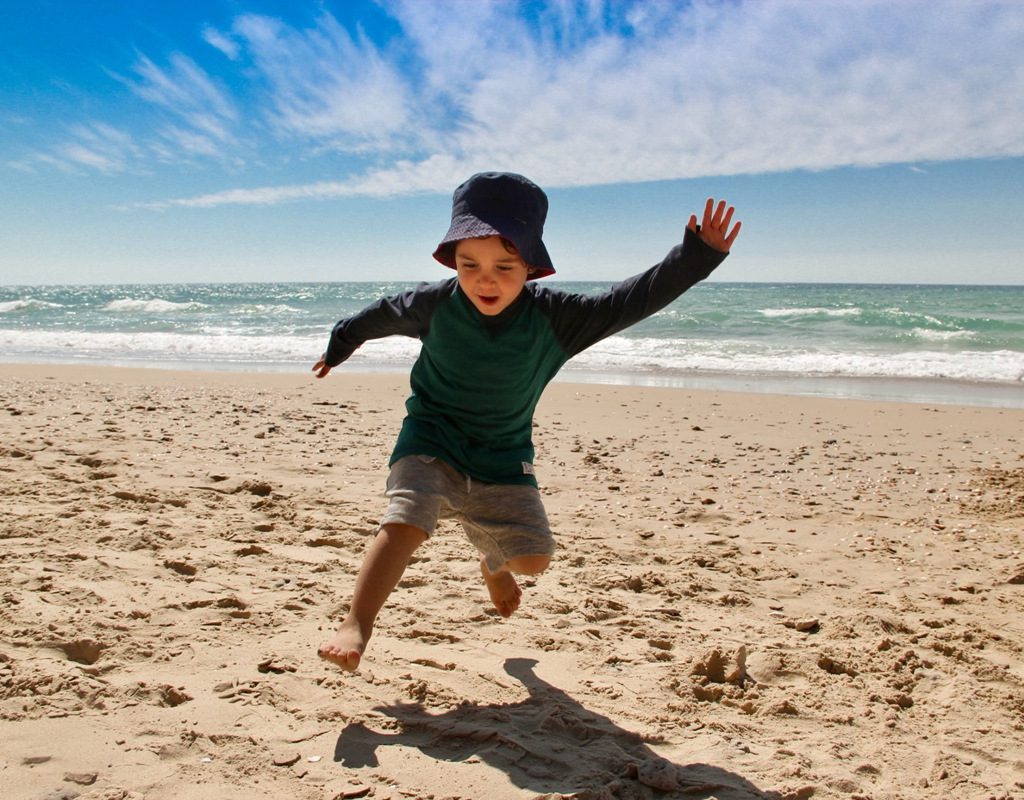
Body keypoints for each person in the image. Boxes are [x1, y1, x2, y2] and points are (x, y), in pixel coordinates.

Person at [313, 172, 741, 671]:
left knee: (532, 561)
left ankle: (492, 563)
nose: (484, 278)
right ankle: (357, 624)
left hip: (501, 455)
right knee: (407, 518)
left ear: (532, 265)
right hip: (430, 438)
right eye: (468, 264)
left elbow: (631, 300)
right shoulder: (434, 305)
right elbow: (377, 317)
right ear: (452, 260)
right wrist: (339, 346)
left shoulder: (560, 319)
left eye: (504, 265)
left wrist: (696, 257)